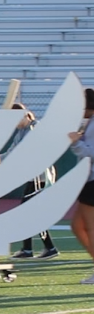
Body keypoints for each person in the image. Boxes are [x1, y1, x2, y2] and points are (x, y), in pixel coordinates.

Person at [6, 104, 60, 261]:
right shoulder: (21, 131)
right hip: (33, 178)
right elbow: (12, 151)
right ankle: (39, 248)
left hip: (40, 178)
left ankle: (37, 249)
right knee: (30, 214)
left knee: (29, 214)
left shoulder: (34, 128)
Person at [69, 87, 94, 284]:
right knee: (77, 226)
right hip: (88, 179)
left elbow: (90, 152)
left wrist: (76, 142)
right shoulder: (90, 122)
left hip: (93, 180)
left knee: (90, 227)